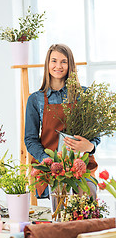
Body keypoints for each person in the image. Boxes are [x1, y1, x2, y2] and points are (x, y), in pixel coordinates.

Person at [24, 44, 100, 199]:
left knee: (87, 196)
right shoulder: (35, 99)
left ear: (70, 64)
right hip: (50, 166)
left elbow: (96, 135)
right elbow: (30, 139)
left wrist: (90, 147)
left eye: (63, 61)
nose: (58, 66)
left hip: (81, 164)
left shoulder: (84, 94)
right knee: (58, 197)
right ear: (47, 64)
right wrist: (47, 160)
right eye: (54, 61)